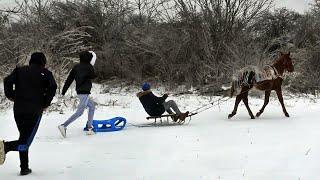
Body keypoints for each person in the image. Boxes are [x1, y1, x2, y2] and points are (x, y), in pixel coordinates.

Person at [0, 52, 57, 175]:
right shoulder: (46, 73)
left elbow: (7, 81)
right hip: (34, 111)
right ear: (43, 61)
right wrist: (45, 103)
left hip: (19, 109)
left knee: (23, 137)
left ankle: (24, 168)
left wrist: (11, 95)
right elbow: (53, 87)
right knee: (26, 141)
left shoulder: (20, 71)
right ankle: (6, 147)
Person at [58, 51, 97, 138]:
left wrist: (63, 91)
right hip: (85, 92)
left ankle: (89, 128)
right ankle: (64, 125)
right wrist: (91, 67)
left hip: (79, 92)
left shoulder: (76, 67)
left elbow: (69, 79)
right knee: (79, 112)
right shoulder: (89, 66)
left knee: (92, 106)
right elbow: (94, 76)